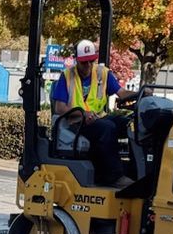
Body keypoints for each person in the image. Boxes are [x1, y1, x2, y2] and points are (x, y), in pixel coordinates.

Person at [50, 39, 125, 183]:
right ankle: (114, 176)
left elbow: (121, 92)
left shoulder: (103, 73)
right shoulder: (67, 76)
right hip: (76, 124)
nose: (89, 66)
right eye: (84, 62)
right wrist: (83, 113)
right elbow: (60, 107)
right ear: (76, 60)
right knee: (107, 128)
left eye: (91, 61)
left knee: (128, 124)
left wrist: (141, 93)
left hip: (98, 118)